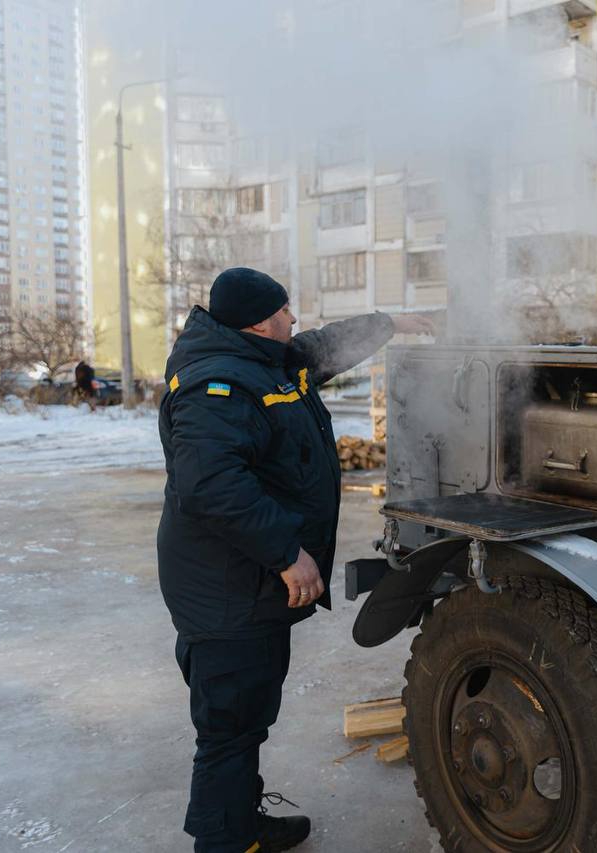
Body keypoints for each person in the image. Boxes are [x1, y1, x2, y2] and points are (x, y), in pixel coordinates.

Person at [156, 267, 434, 852]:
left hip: (246, 584)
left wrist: (391, 323)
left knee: (245, 715)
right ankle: (225, 840)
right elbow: (208, 485)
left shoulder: (267, 360)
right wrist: (287, 553)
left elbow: (323, 347)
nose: (294, 320)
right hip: (227, 589)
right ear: (260, 321)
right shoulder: (218, 383)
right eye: (286, 312)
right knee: (229, 726)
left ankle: (240, 822)